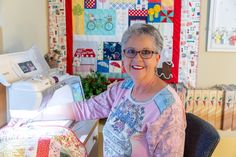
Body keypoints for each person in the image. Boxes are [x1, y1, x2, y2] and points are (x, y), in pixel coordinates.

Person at [41, 23, 186, 156]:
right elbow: (84, 109)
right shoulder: (123, 88)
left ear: (157, 58)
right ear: (123, 56)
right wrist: (39, 114)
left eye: (146, 52)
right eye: (130, 51)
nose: (137, 58)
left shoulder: (169, 107)